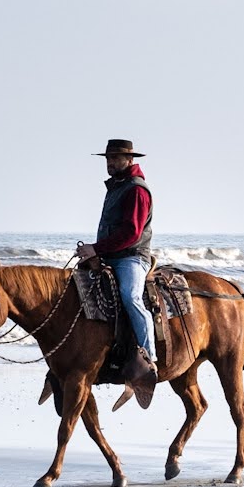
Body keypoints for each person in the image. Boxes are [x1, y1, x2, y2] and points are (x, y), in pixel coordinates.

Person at [76, 139, 157, 402]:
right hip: (111, 255)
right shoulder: (117, 187)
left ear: (130, 160)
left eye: (116, 158)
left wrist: (97, 248)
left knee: (130, 296)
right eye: (108, 158)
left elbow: (132, 233)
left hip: (132, 257)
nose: (110, 163)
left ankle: (148, 358)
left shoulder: (136, 190)